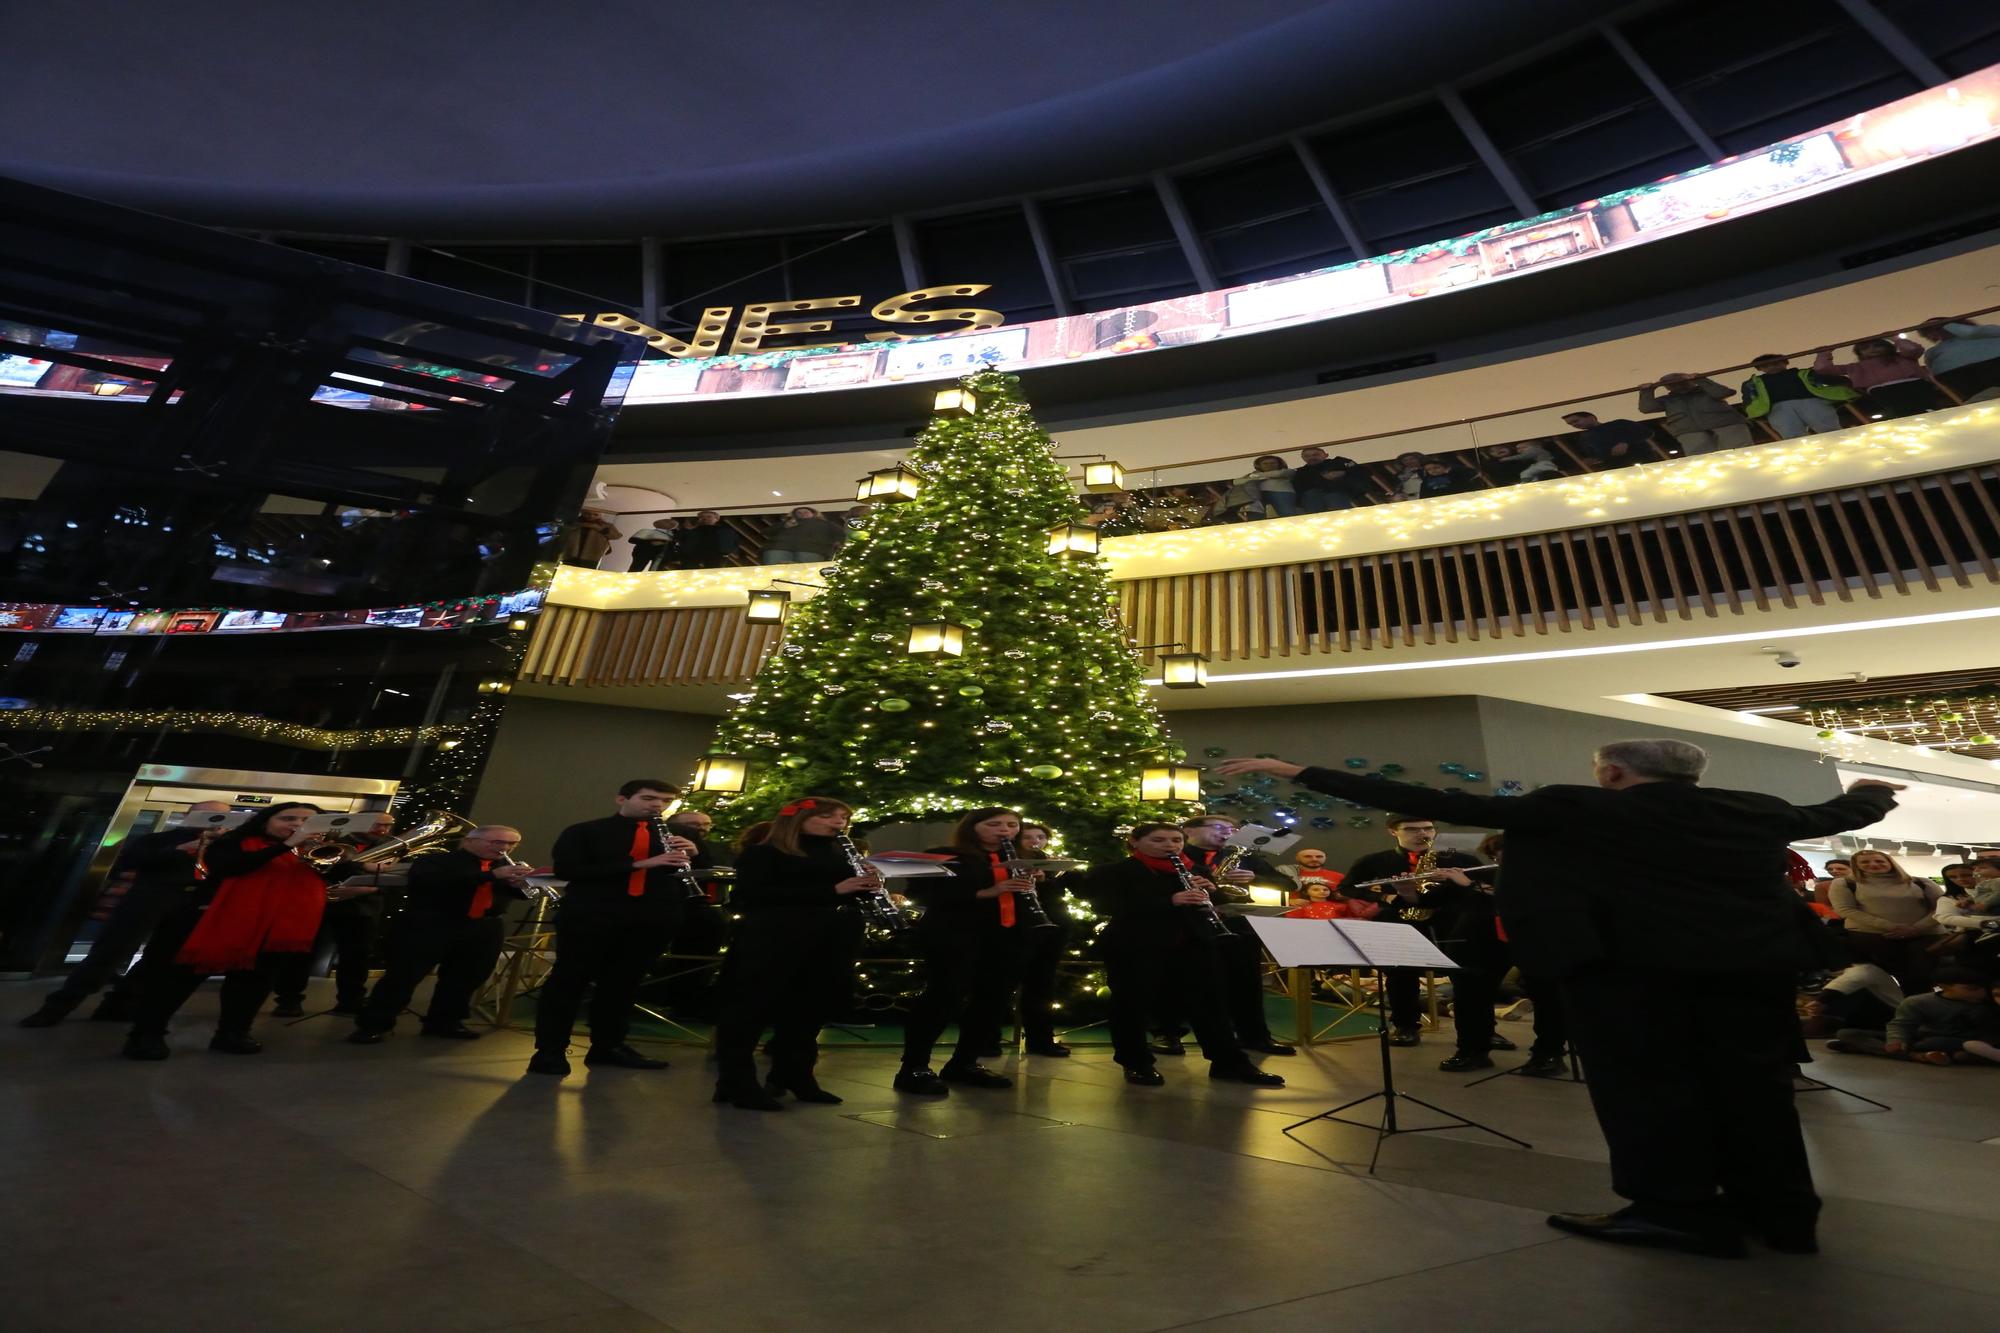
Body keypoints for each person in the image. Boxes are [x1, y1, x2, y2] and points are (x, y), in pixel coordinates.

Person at [1217, 739, 1899, 1258]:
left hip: (1633, 970)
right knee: (1754, 1087)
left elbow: (1457, 804)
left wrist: (1296, 771)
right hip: (1752, 969)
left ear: (1611, 771)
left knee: (1647, 1086)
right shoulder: (1754, 808)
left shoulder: (1577, 804)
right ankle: (1781, 1214)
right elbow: (1837, 811)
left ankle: (1676, 1208)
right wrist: (1875, 789)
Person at [122, 803, 360, 1060]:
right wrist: (286, 845)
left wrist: (350, 862)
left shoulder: (310, 851)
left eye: (307, 821)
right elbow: (231, 867)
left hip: (274, 928)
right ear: (265, 821)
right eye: (288, 818)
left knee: (255, 983)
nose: (296, 825)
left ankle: (233, 1033)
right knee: (179, 981)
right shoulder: (234, 842)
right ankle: (147, 1035)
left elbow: (340, 874)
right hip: (214, 920)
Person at [711, 797, 877, 1110]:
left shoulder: (841, 854)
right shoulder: (763, 853)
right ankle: (736, 1082)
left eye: (843, 816)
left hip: (829, 939)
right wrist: (833, 891)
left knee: (810, 1010)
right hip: (775, 939)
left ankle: (795, 1074)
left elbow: (843, 895)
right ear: (798, 818)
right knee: (751, 1011)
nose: (838, 822)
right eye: (828, 816)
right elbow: (752, 896)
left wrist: (868, 886)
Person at [1090, 823, 1285, 1089]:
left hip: (1195, 944)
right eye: (1158, 840)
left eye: (1175, 840)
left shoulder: (1196, 869)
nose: (1170, 846)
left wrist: (1212, 891)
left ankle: (1229, 1063)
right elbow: (1105, 905)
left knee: (1211, 1004)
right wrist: (1170, 901)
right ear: (1134, 841)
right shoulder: (1114, 871)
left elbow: (1212, 905)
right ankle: (1137, 1063)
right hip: (1137, 946)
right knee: (1132, 1006)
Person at [530, 779, 700, 1078]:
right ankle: (549, 1051)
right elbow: (569, 870)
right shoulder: (585, 831)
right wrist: (639, 865)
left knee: (623, 985)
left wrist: (696, 853)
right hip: (592, 918)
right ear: (621, 799)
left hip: (650, 919)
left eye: (664, 800)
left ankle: (608, 1047)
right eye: (648, 798)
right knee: (569, 983)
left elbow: (699, 869)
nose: (657, 805)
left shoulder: (680, 834)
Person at [19, 800, 231, 1028]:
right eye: (206, 815)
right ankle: (59, 1005)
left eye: (219, 818)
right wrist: (180, 849)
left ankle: (120, 1005)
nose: (210, 821)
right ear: (188, 815)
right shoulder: (157, 840)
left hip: (192, 903)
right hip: (149, 897)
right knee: (111, 951)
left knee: (160, 958)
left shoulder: (223, 847)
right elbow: (131, 862)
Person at [348, 825, 538, 1044]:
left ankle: (444, 1022)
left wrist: (521, 884)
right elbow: (431, 884)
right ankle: (374, 1024)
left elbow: (518, 895)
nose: (504, 848)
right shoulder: (437, 861)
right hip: (434, 924)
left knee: (467, 977)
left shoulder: (505, 866)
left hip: (484, 927)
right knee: (404, 975)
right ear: (469, 841)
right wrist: (490, 875)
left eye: (511, 844)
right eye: (497, 842)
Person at [895, 807, 1035, 1095]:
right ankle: (914, 1067)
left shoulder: (1022, 858)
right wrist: (985, 892)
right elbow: (921, 893)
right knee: (944, 996)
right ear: (973, 827)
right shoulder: (946, 854)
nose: (1005, 830)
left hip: (1006, 936)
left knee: (992, 1000)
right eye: (994, 824)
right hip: (955, 935)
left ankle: (964, 1063)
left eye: (1012, 824)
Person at [1339, 815, 1488, 1048]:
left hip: (1451, 921)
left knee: (1468, 976)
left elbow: (1483, 886)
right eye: (1411, 829)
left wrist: (1460, 881)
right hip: (1400, 920)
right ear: (1393, 832)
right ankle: (1405, 1025)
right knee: (1400, 975)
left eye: (1428, 829)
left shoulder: (1461, 858)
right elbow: (1346, 887)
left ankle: (1483, 1030)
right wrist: (1384, 896)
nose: (1422, 834)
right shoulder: (1374, 861)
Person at [1178, 815, 1294, 1056]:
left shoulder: (1245, 856)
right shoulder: (1177, 855)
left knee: (1247, 983)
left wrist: (1255, 878)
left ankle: (1256, 1037)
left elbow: (1287, 884)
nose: (1227, 833)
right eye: (1219, 828)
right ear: (1189, 830)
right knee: (1185, 982)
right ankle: (1170, 1034)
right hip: (1189, 923)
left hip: (1237, 924)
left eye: (1232, 829)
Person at [270, 810, 400, 1017]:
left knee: (356, 958)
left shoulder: (392, 847)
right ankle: (288, 1000)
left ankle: (351, 1002)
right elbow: (313, 867)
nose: (383, 829)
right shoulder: (331, 841)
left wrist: (368, 889)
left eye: (387, 825)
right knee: (301, 955)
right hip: (319, 905)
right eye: (377, 824)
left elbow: (396, 876)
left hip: (362, 909)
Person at [1478, 831, 1568, 1078]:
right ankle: (1544, 1051)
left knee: (1549, 999)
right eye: (1496, 858)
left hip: (1549, 943)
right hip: (1520, 942)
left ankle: (1550, 1054)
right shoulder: (1503, 875)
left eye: (1504, 855)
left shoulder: (1545, 873)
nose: (1500, 862)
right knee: (1539, 994)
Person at [1825, 850, 1947, 995]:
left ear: (1890, 862)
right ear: (1856, 865)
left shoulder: (1921, 882)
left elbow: (1941, 907)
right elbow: (1845, 909)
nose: (1873, 864)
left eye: (1879, 861)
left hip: (1925, 935)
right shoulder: (1845, 883)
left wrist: (1916, 928)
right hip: (1875, 937)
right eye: (1865, 862)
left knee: (1925, 976)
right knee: (1896, 978)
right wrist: (1890, 926)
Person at [1827, 968, 2000, 1065]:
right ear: (1945, 987)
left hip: (1965, 1041)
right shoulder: (1919, 1002)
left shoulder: (1988, 1002)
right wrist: (1896, 1040)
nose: (1981, 993)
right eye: (1972, 989)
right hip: (1923, 1037)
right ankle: (1916, 1056)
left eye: (1982, 988)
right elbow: (1902, 1024)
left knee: (1940, 1046)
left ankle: (1868, 1049)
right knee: (1847, 1033)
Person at [1015, 821, 1078, 1058]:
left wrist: (1048, 879)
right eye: (1028, 837)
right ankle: (987, 1039)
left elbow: (1067, 896)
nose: (1035, 842)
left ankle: (1040, 1039)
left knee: (1042, 984)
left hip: (1052, 929)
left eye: (1040, 837)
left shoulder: (1054, 866)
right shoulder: (1003, 864)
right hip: (1016, 929)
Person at [1814, 337, 1940, 420]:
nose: (1872, 349)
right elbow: (1822, 369)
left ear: (1887, 347)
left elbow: (1913, 349)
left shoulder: (1903, 357)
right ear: (1860, 353)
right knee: (1898, 414)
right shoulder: (1856, 367)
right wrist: (1824, 352)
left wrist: (1895, 338)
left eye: (1877, 346)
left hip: (1912, 386)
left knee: (1922, 410)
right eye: (1865, 348)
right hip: (1881, 392)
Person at [1739, 354, 1860, 438]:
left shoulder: (1803, 373)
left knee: (1826, 426)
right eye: (1766, 365)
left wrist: (1846, 384)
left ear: (1785, 362)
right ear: (1759, 368)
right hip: (1778, 407)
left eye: (1776, 363)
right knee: (1791, 434)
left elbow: (1827, 379)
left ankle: (1839, 445)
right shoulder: (1753, 382)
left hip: (1809, 401)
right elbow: (1748, 398)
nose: (1772, 366)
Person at [1637, 373, 1752, 456]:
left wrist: (1701, 379)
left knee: (1740, 453)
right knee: (1701, 460)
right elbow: (1647, 408)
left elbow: (1723, 392)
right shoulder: (1667, 400)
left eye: (1679, 381)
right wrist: (1647, 391)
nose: (1675, 385)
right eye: (1670, 383)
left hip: (1725, 424)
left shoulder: (1706, 391)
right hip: (1689, 431)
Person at [1915, 315, 2000, 402]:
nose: (1933, 333)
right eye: (1929, 331)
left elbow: (1971, 332)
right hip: (1968, 383)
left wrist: (1947, 325)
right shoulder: (1935, 351)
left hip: (1986, 375)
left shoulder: (1985, 334)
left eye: (1936, 328)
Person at [1560, 412, 1654, 470]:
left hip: (1644, 461)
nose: (1574, 425)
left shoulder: (1619, 423)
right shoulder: (1584, 437)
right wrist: (1592, 459)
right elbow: (1594, 455)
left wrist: (1626, 442)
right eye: (1571, 424)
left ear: (1591, 417)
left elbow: (1647, 432)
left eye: (1576, 421)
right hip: (1615, 467)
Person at [1213, 455, 1297, 521]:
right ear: (1259, 465)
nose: (1269, 465)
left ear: (1279, 464)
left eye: (1273, 463)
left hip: (1280, 492)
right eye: (1265, 464)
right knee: (1254, 509)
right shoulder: (1253, 474)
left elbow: (1279, 474)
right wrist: (1262, 476)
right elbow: (1237, 482)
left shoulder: (1287, 471)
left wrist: (1256, 476)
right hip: (1257, 494)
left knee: (1286, 513)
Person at [1290, 447, 1373, 512]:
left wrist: (1344, 473)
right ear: (1303, 458)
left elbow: (1362, 471)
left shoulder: (1338, 462)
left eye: (1315, 454)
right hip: (1314, 501)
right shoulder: (1301, 472)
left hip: (1338, 493)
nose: (1311, 457)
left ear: (1326, 455)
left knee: (1333, 498)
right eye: (1307, 456)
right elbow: (1298, 489)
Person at [760, 506, 844, 566]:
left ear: (813, 513)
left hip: (811, 550)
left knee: (805, 573)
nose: (802, 514)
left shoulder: (825, 524)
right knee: (775, 572)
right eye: (799, 513)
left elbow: (840, 534)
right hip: (779, 548)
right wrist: (784, 526)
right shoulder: (786, 523)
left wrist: (838, 543)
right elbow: (766, 532)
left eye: (806, 512)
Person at [674, 510, 740, 568]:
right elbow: (679, 540)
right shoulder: (691, 530)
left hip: (716, 556)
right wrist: (686, 530)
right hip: (693, 555)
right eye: (702, 517)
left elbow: (733, 542)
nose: (705, 519)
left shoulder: (725, 531)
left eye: (709, 516)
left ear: (716, 519)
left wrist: (725, 553)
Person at [1481, 441, 1561, 486]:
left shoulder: (1522, 455)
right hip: (1513, 482)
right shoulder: (1492, 464)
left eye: (1500, 447)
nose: (1497, 450)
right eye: (1492, 451)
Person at [1280, 847, 1344, 896]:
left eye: (1319, 856)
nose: (1314, 859)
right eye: (1308, 856)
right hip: (1291, 912)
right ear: (1297, 858)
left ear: (1325, 858)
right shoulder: (1283, 874)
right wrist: (1290, 901)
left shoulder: (1339, 876)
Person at [1415, 457, 1480, 498]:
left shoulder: (1455, 476)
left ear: (1446, 467)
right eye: (1428, 469)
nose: (1432, 471)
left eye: (1436, 467)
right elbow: (1424, 495)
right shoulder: (1426, 481)